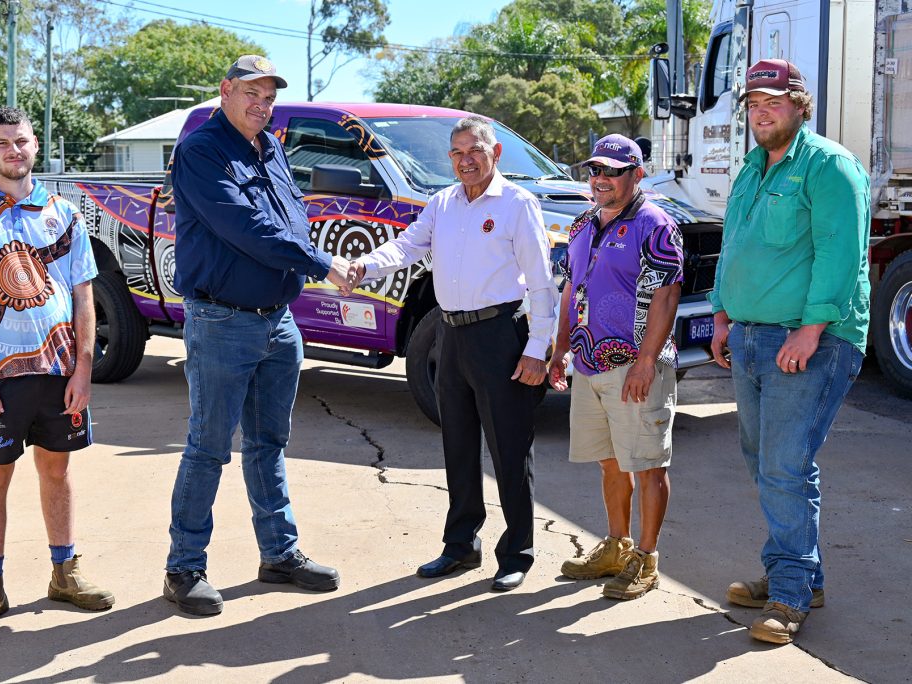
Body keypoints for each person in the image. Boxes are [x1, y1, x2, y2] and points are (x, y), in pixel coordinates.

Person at [163, 55, 352, 616]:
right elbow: (246, 228)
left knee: (268, 444)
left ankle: (279, 555)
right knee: (208, 448)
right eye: (252, 93)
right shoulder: (201, 153)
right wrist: (321, 263)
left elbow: (291, 220)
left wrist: (306, 258)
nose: (261, 105)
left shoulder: (270, 148)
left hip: (278, 320)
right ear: (225, 90)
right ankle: (184, 567)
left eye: (269, 97)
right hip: (222, 320)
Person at [345, 115, 557, 592]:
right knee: (457, 446)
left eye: (474, 151)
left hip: (501, 335)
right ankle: (461, 545)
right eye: (457, 152)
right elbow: (407, 246)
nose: (466, 160)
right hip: (451, 334)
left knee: (508, 448)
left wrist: (538, 349)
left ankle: (517, 551)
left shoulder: (517, 204)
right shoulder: (442, 203)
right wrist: (363, 265)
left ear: (495, 153)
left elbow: (542, 283)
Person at [0, 107, 113, 632]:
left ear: (37, 146)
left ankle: (65, 573)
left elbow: (84, 299)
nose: (15, 150)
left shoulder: (65, 214)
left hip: (59, 373)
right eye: (2, 143)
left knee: (58, 470)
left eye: (22, 141)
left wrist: (83, 370)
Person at [709, 59, 870, 644]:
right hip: (751, 335)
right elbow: (734, 246)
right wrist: (722, 313)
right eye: (753, 102)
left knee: (783, 464)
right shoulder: (751, 169)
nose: (761, 111)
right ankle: (799, 571)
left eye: (773, 101)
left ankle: (790, 594)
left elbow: (841, 254)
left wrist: (811, 329)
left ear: (800, 103)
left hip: (810, 340)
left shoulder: (828, 166)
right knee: (765, 461)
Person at [548, 134, 683, 601]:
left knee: (647, 465)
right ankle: (616, 545)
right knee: (609, 462)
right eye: (594, 170)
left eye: (612, 171)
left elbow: (667, 294)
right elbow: (572, 288)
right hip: (588, 363)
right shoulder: (583, 223)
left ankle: (646, 559)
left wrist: (646, 362)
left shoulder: (656, 225)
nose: (600, 179)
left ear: (636, 174)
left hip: (636, 365)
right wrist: (561, 347)